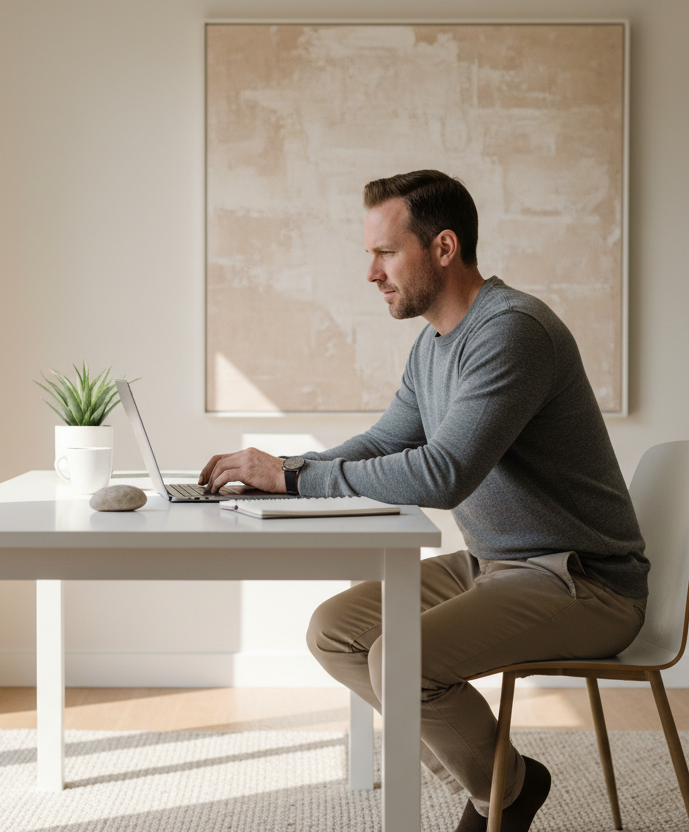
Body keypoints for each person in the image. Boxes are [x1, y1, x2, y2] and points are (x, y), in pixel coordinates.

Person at [199, 170, 647, 832]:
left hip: (583, 581)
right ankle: (503, 784)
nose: (372, 273)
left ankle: (499, 793)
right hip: (498, 564)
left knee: (398, 658)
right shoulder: (432, 347)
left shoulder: (512, 331)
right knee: (336, 632)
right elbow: (384, 443)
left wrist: (289, 481)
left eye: (384, 253)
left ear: (443, 248)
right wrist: (279, 467)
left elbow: (444, 474)